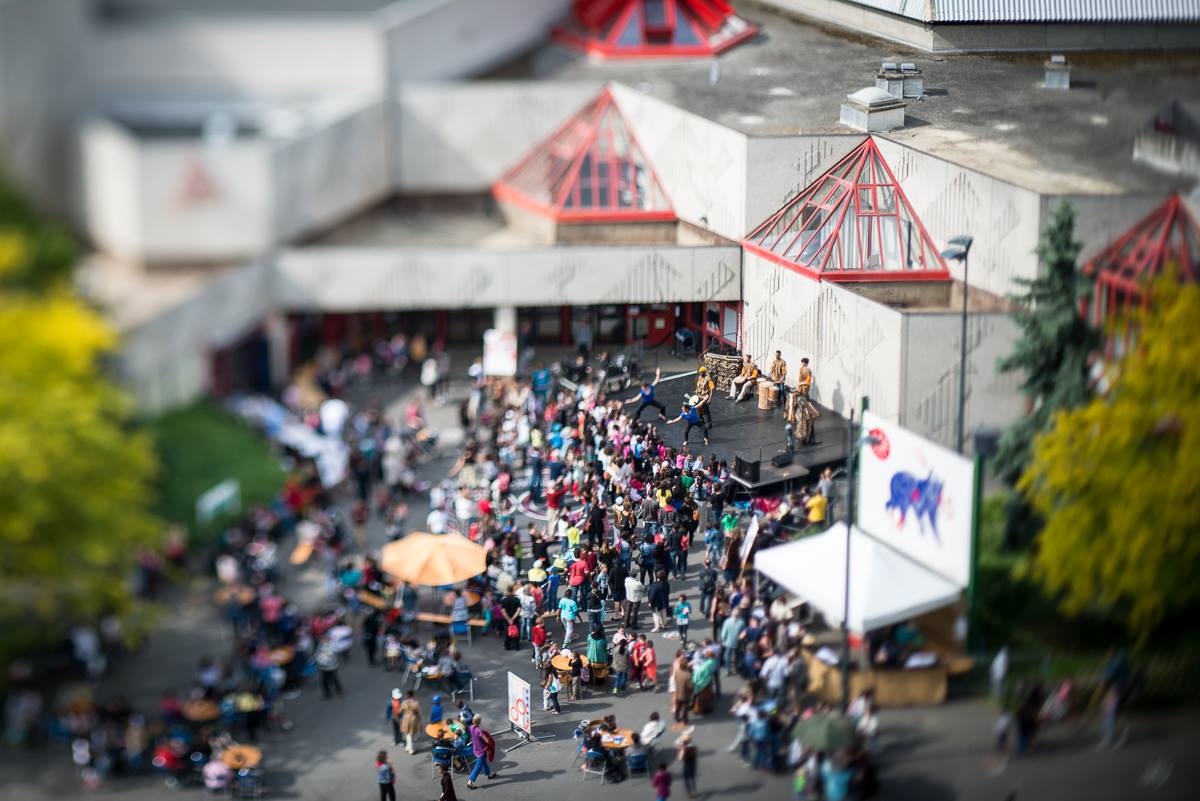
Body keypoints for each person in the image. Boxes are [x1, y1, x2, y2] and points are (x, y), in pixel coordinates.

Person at [466, 715, 497, 789]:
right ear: (479, 722)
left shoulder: (470, 728)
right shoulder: (479, 731)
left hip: (475, 749)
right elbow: (487, 740)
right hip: (481, 751)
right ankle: (470, 782)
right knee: (478, 766)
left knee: (483, 763)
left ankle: (489, 774)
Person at [397, 690, 421, 755]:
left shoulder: (404, 703)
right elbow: (418, 712)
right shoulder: (416, 703)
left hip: (406, 719)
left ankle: (408, 747)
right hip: (413, 719)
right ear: (413, 695)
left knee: (408, 734)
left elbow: (399, 711)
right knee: (411, 734)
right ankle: (410, 749)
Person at [677, 733, 699, 799]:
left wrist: (682, 749)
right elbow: (696, 753)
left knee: (686, 780)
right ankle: (694, 791)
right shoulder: (694, 747)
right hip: (693, 765)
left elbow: (680, 759)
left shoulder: (684, 749)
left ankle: (689, 794)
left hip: (686, 766)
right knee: (692, 779)